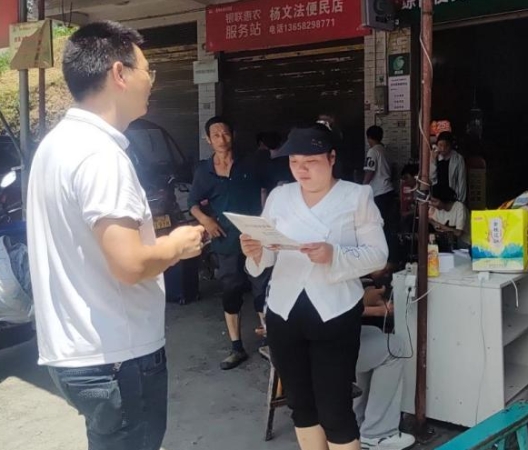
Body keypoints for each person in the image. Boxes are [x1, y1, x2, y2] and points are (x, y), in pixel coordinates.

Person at [26, 21, 205, 450]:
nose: (151, 82)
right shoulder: (100, 155)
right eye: (147, 70)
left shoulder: (56, 145)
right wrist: (177, 245)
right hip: (117, 357)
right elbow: (129, 264)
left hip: (78, 352)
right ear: (119, 74)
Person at [241, 125, 388, 450]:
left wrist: (334, 255)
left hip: (335, 313)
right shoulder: (280, 197)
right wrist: (255, 251)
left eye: (311, 161)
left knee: (335, 408)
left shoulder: (356, 196)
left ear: (332, 158)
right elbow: (266, 256)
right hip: (284, 312)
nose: (302, 170)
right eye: (294, 162)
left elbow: (378, 255)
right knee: (300, 405)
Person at [189, 117, 269, 370]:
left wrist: (267, 219)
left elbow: (270, 189)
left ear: (232, 135)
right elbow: (192, 203)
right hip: (225, 240)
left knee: (262, 288)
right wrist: (206, 221)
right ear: (208, 140)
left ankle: (269, 341)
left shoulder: (251, 163)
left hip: (255, 239)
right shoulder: (204, 171)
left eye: (225, 133)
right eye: (216, 135)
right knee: (231, 290)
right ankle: (236, 347)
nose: (221, 139)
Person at [355, 282, 416, 450]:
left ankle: (357, 420)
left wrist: (365, 298)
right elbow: (339, 311)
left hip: (307, 347)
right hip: (323, 350)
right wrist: (379, 310)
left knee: (374, 334)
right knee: (394, 347)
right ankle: (377, 434)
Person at [363, 125, 395, 222]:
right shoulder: (385, 150)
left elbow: (370, 171)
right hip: (389, 190)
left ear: (368, 138)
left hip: (379, 192)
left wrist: (363, 187)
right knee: (388, 222)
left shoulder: (373, 151)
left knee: (378, 222)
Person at [429, 184, 470, 250]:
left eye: (435, 201)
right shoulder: (435, 209)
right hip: (446, 245)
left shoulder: (459, 207)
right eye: (431, 201)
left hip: (463, 245)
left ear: (443, 199)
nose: (432, 204)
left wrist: (434, 223)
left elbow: (458, 233)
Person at [430, 131, 467, 204]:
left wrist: (460, 201)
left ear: (451, 146)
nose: (443, 148)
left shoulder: (458, 159)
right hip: (437, 198)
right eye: (440, 145)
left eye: (446, 146)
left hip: (452, 198)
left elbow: (461, 181)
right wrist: (433, 161)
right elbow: (431, 178)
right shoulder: (435, 157)